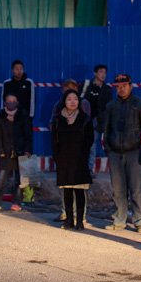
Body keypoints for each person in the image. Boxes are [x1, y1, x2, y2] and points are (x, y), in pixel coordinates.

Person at [103, 73, 141, 231]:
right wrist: (109, 149)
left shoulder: (140, 105)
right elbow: (106, 129)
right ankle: (119, 220)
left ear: (131, 86)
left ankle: (139, 221)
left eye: (124, 86)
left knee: (137, 188)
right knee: (117, 189)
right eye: (118, 87)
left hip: (135, 152)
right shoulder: (111, 106)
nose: (121, 89)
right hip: (115, 153)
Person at [52, 89, 94, 231]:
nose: (72, 102)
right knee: (67, 191)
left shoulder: (85, 118)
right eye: (69, 99)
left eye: (75, 99)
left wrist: (84, 155)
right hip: (64, 159)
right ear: (64, 101)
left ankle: (80, 221)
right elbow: (54, 140)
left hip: (80, 159)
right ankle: (69, 220)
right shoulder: (58, 119)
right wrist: (57, 157)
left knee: (79, 191)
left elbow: (90, 139)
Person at [0, 94, 32, 211]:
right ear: (5, 103)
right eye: (9, 101)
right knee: (1, 180)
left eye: (14, 101)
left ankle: (17, 203)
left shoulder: (22, 115)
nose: (11, 103)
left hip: (20, 151)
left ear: (17, 102)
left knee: (19, 180)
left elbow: (28, 134)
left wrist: (28, 150)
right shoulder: (2, 115)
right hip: (6, 153)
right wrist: (0, 150)